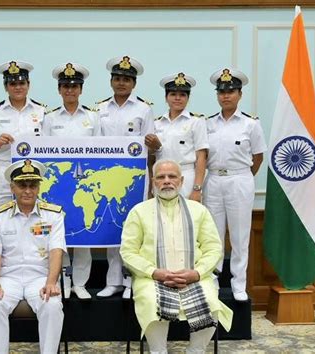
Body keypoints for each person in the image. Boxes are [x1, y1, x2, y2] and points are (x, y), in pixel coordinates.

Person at [120, 159, 232, 354]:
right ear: (154, 182)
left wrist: (196, 273)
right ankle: (158, 350)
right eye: (161, 177)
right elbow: (128, 251)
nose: (167, 181)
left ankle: (196, 350)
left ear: (181, 181)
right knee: (151, 301)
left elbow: (214, 248)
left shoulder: (199, 210)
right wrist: (154, 272)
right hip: (152, 278)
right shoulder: (139, 212)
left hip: (193, 275)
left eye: (172, 177)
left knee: (211, 302)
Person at [0, 159, 66, 354]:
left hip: (40, 277)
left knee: (52, 305)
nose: (28, 190)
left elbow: (56, 252)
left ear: (38, 188)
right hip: (8, 278)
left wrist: (51, 282)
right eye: (22, 185)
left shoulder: (53, 215)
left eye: (33, 185)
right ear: (12, 187)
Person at [203, 68, 267, 301]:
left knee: (240, 236)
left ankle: (238, 284)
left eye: (231, 91)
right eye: (221, 92)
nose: (226, 96)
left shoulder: (251, 124)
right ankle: (212, 280)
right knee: (213, 235)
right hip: (214, 180)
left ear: (240, 94)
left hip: (240, 179)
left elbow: (258, 157)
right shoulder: (207, 123)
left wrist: (242, 176)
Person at [95, 55, 154, 299]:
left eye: (127, 79)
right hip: (109, 176)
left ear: (134, 83)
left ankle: (133, 281)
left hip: (135, 177)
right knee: (112, 225)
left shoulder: (144, 109)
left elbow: (152, 149)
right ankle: (114, 281)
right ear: (111, 81)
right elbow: (94, 145)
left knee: (134, 229)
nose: (121, 83)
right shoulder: (99, 109)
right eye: (117, 78)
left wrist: (150, 182)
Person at [43, 62, 101, 300]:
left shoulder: (93, 118)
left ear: (81, 89)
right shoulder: (49, 118)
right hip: (59, 184)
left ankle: (80, 283)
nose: (70, 90)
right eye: (65, 86)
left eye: (74, 86)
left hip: (85, 184)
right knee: (59, 233)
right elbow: (43, 152)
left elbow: (100, 151)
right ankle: (63, 279)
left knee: (84, 233)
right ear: (59, 90)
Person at [0, 60, 45, 207]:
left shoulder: (41, 111)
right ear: (6, 87)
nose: (18, 87)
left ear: (28, 85)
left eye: (22, 83)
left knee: (32, 220)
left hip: (32, 173)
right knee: (4, 218)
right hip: (3, 173)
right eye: (12, 84)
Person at [144, 72, 208, 202]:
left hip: (186, 176)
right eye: (173, 94)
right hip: (161, 177)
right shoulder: (156, 123)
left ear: (188, 98)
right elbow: (150, 158)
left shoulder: (196, 121)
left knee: (186, 217)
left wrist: (197, 189)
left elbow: (201, 157)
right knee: (162, 218)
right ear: (166, 97)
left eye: (182, 95)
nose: (177, 98)